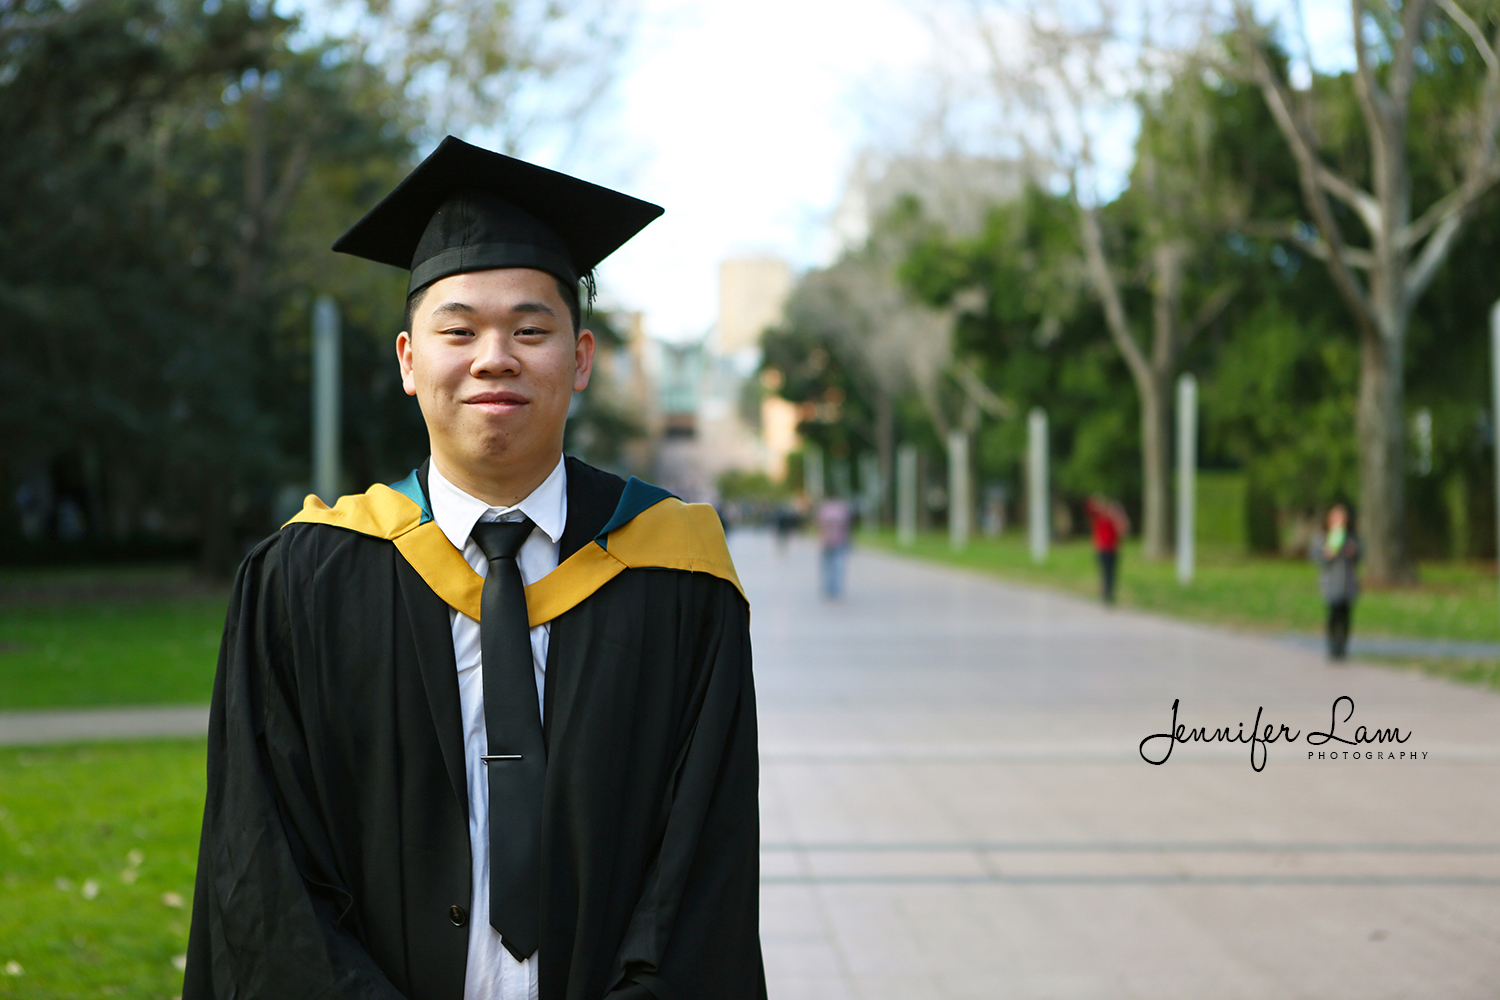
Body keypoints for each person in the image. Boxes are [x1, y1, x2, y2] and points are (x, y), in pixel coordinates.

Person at [183, 137, 766, 1000]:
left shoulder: (678, 578)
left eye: (531, 329)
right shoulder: (303, 580)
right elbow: (263, 872)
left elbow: (703, 872)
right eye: (458, 330)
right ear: (410, 363)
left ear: (582, 360)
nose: (495, 356)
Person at [1312, 502, 1360, 661]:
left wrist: (1352, 552)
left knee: (1346, 616)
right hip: (1331, 583)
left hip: (1348, 582)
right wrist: (1327, 554)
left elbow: (1359, 555)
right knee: (1333, 614)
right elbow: (1317, 557)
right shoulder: (1322, 537)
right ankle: (1332, 647)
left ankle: (1343, 648)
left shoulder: (1351, 537)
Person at [1084, 495, 1129, 605]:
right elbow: (1088, 507)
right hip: (1101, 548)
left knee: (1112, 572)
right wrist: (1098, 503)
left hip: (1113, 548)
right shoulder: (1097, 516)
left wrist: (1118, 515)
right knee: (1104, 571)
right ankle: (1105, 594)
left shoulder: (1113, 518)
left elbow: (1124, 529)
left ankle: (1110, 594)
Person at [816, 496, 852, 598]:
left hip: (826, 542)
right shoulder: (843, 510)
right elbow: (848, 527)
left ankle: (828, 588)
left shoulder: (823, 510)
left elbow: (819, 525)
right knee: (838, 566)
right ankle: (836, 589)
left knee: (827, 566)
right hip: (840, 541)